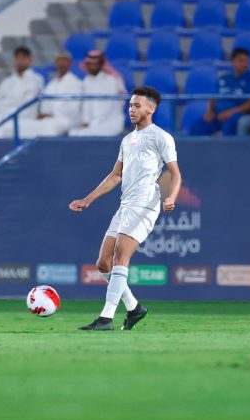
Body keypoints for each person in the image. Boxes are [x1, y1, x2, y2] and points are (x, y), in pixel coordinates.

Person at [69, 86, 182, 331]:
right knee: (103, 264)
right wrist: (87, 199)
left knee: (121, 257)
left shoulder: (161, 137)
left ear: (151, 109)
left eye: (137, 105)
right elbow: (115, 175)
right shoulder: (127, 139)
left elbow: (175, 174)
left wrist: (171, 196)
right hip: (126, 204)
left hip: (144, 204)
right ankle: (134, 309)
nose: (131, 109)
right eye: (130, 105)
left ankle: (106, 318)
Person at [190, 47, 250, 136]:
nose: (244, 64)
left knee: (229, 126)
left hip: (237, 115)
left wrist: (231, 112)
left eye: (246, 61)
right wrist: (210, 111)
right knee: (197, 127)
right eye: (241, 60)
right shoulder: (224, 78)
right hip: (217, 115)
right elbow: (213, 97)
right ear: (233, 61)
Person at [0, 46, 44, 138]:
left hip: (23, 120)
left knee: (1, 132)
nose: (20, 61)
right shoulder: (6, 82)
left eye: (23, 58)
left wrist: (8, 103)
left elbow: (27, 103)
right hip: (2, 118)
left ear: (30, 60)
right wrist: (11, 104)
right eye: (17, 58)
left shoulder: (36, 80)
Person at [68, 50, 126, 137]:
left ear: (101, 64)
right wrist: (85, 121)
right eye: (90, 64)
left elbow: (108, 107)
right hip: (93, 124)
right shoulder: (87, 80)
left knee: (79, 135)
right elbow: (86, 104)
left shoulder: (111, 80)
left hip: (110, 123)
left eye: (95, 64)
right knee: (73, 133)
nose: (92, 66)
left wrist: (93, 123)